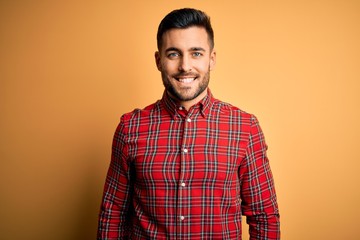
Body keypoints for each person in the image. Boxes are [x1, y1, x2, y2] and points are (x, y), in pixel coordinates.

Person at [97, 8, 280, 239]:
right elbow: (112, 214)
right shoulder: (130, 128)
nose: (185, 66)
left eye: (196, 53)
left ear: (211, 59)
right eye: (173, 54)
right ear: (158, 60)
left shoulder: (244, 128)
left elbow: (264, 217)